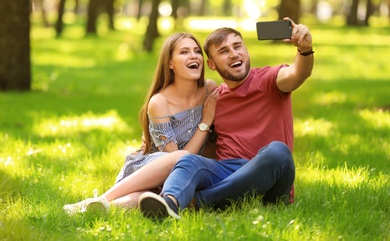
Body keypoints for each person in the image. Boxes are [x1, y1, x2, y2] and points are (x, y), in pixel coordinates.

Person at [138, 17, 314, 220]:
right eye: (224, 51)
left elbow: (298, 73)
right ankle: (170, 203)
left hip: (269, 177)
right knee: (189, 161)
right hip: (227, 171)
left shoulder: (269, 80)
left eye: (238, 46)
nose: (234, 54)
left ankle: (198, 201)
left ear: (246, 52)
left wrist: (305, 50)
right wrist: (151, 137)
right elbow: (187, 132)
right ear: (211, 65)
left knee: (278, 152)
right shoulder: (214, 99)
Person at [63, 32, 218, 215]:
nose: (193, 56)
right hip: (151, 168)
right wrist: (205, 122)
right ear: (170, 63)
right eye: (184, 52)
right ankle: (101, 198)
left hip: (177, 178)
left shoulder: (210, 89)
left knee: (151, 198)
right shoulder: (160, 102)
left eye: (196, 51)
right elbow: (179, 163)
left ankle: (98, 209)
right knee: (179, 164)